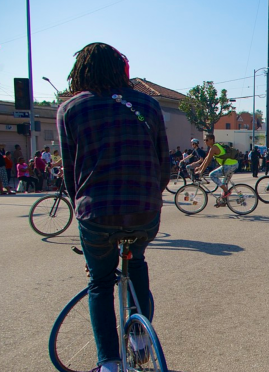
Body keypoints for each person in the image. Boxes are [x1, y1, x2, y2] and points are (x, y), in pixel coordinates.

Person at [57, 42, 170, 372]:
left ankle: (108, 363)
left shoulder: (71, 109)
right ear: (122, 70)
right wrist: (150, 194)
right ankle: (139, 339)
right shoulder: (148, 105)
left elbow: (70, 172)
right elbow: (163, 164)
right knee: (137, 263)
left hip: (97, 212)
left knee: (101, 282)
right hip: (144, 210)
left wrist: (81, 208)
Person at [195, 134, 238, 206]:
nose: (205, 141)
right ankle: (223, 201)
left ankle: (226, 192)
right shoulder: (214, 147)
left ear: (212, 140)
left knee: (212, 175)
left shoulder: (214, 148)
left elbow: (208, 161)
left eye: (207, 140)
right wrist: (200, 168)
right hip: (232, 164)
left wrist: (201, 171)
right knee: (223, 184)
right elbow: (206, 159)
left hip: (229, 165)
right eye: (204, 140)